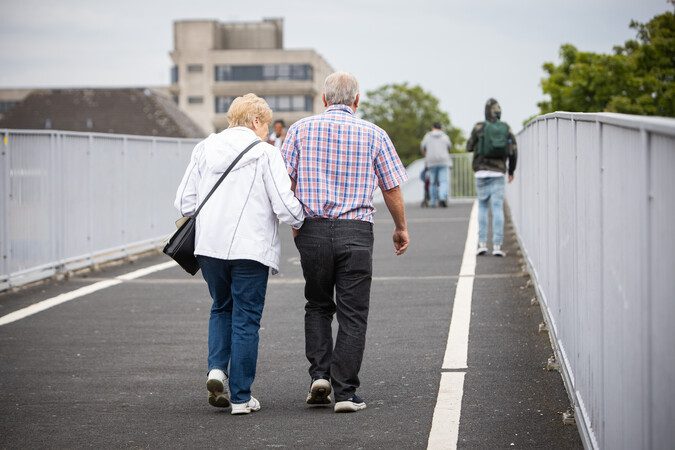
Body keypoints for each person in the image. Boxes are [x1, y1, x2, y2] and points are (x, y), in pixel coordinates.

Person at [281, 72, 409, 413]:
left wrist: (297, 221)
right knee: (353, 313)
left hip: (312, 230)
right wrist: (401, 227)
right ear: (357, 100)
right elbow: (391, 187)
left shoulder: (299, 130)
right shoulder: (374, 134)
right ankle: (347, 393)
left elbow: (284, 181)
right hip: (356, 231)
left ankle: (319, 376)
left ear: (324, 99)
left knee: (318, 304)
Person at [174, 93, 304, 415]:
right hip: (251, 248)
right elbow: (284, 206)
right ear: (257, 121)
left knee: (221, 307)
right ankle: (242, 398)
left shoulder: (204, 148)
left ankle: (217, 371)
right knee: (247, 318)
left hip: (209, 248)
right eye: (265, 124)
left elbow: (184, 203)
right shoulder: (265, 153)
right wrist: (303, 218)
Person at [466, 98, 518, 257]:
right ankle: (497, 245)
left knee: (482, 206)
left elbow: (469, 147)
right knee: (497, 208)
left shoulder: (479, 127)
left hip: (481, 171)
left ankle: (482, 244)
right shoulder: (506, 128)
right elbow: (513, 151)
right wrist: (511, 171)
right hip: (498, 172)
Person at [420, 122, 453, 207]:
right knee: (443, 181)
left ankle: (433, 201)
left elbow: (423, 148)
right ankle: (442, 197)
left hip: (431, 161)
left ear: (433, 127)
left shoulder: (427, 136)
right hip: (443, 161)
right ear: (440, 128)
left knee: (432, 182)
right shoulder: (445, 137)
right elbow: (449, 148)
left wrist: (427, 157)